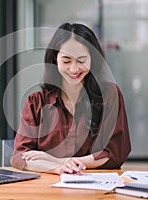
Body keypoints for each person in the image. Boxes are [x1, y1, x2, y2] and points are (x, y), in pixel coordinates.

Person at [10, 22, 131, 175]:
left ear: (93, 59)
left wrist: (58, 161)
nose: (74, 69)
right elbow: (21, 156)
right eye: (66, 61)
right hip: (47, 189)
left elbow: (114, 154)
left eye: (81, 61)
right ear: (55, 58)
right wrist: (57, 168)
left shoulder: (110, 95)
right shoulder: (36, 102)